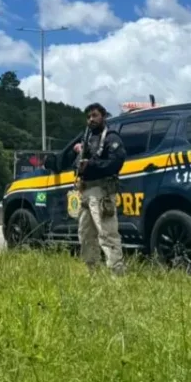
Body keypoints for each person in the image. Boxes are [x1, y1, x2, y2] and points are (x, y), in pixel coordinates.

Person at [73, 102, 127, 276]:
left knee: (107, 233)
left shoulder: (111, 137)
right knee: (85, 233)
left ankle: (116, 274)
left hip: (102, 191)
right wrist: (80, 158)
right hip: (86, 191)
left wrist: (92, 164)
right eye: (88, 117)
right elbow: (78, 165)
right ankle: (92, 272)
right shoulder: (87, 139)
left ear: (103, 116)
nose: (91, 119)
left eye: (95, 115)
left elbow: (116, 163)